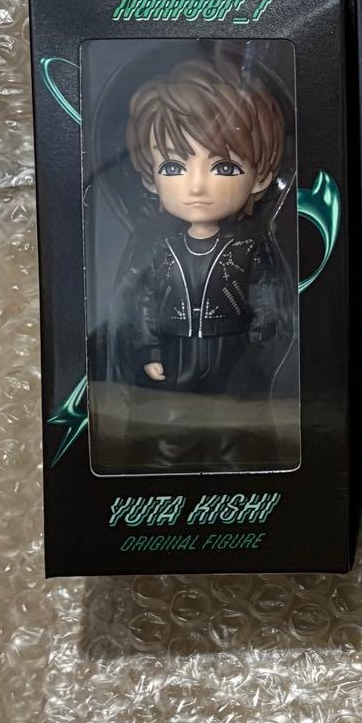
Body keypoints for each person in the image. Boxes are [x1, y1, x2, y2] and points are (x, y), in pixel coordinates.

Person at [115, 56, 292, 470]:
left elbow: (268, 297)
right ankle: (165, 484)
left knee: (237, 436)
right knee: (169, 434)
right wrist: (148, 349)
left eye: (223, 167)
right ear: (150, 177)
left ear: (261, 176)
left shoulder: (250, 243)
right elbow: (140, 302)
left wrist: (259, 348)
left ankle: (244, 485)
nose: (196, 186)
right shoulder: (157, 246)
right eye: (174, 166)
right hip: (174, 349)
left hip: (233, 348)